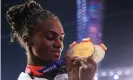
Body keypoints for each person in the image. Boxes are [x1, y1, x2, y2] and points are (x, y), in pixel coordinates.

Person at [6, 1, 97, 80]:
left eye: (61, 38)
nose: (59, 45)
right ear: (27, 40)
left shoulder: (72, 71)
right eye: (50, 37)